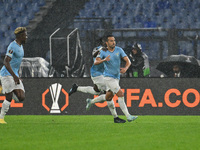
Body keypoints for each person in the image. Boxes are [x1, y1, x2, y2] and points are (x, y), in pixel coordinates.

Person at [69, 37, 126, 123]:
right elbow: (94, 55)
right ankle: (115, 117)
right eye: (106, 41)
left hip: (103, 74)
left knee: (96, 91)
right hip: (97, 74)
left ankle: (76, 88)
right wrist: (100, 49)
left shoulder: (109, 50)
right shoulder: (98, 49)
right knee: (109, 94)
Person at [91, 34, 138, 122]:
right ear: (107, 42)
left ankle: (91, 101)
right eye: (111, 41)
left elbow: (128, 61)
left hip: (117, 77)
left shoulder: (119, 50)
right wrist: (104, 60)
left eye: (114, 40)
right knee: (120, 94)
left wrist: (125, 68)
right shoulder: (103, 52)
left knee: (108, 97)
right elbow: (96, 62)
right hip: (108, 77)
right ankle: (128, 116)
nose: (114, 42)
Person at [0, 27, 27, 124]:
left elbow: (15, 64)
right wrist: (14, 76)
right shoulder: (12, 46)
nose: (26, 37)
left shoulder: (20, 46)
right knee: (9, 97)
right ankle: (1, 118)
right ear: (20, 36)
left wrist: (16, 75)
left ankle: (6, 89)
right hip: (6, 74)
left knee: (21, 97)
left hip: (14, 74)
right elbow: (6, 62)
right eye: (25, 35)